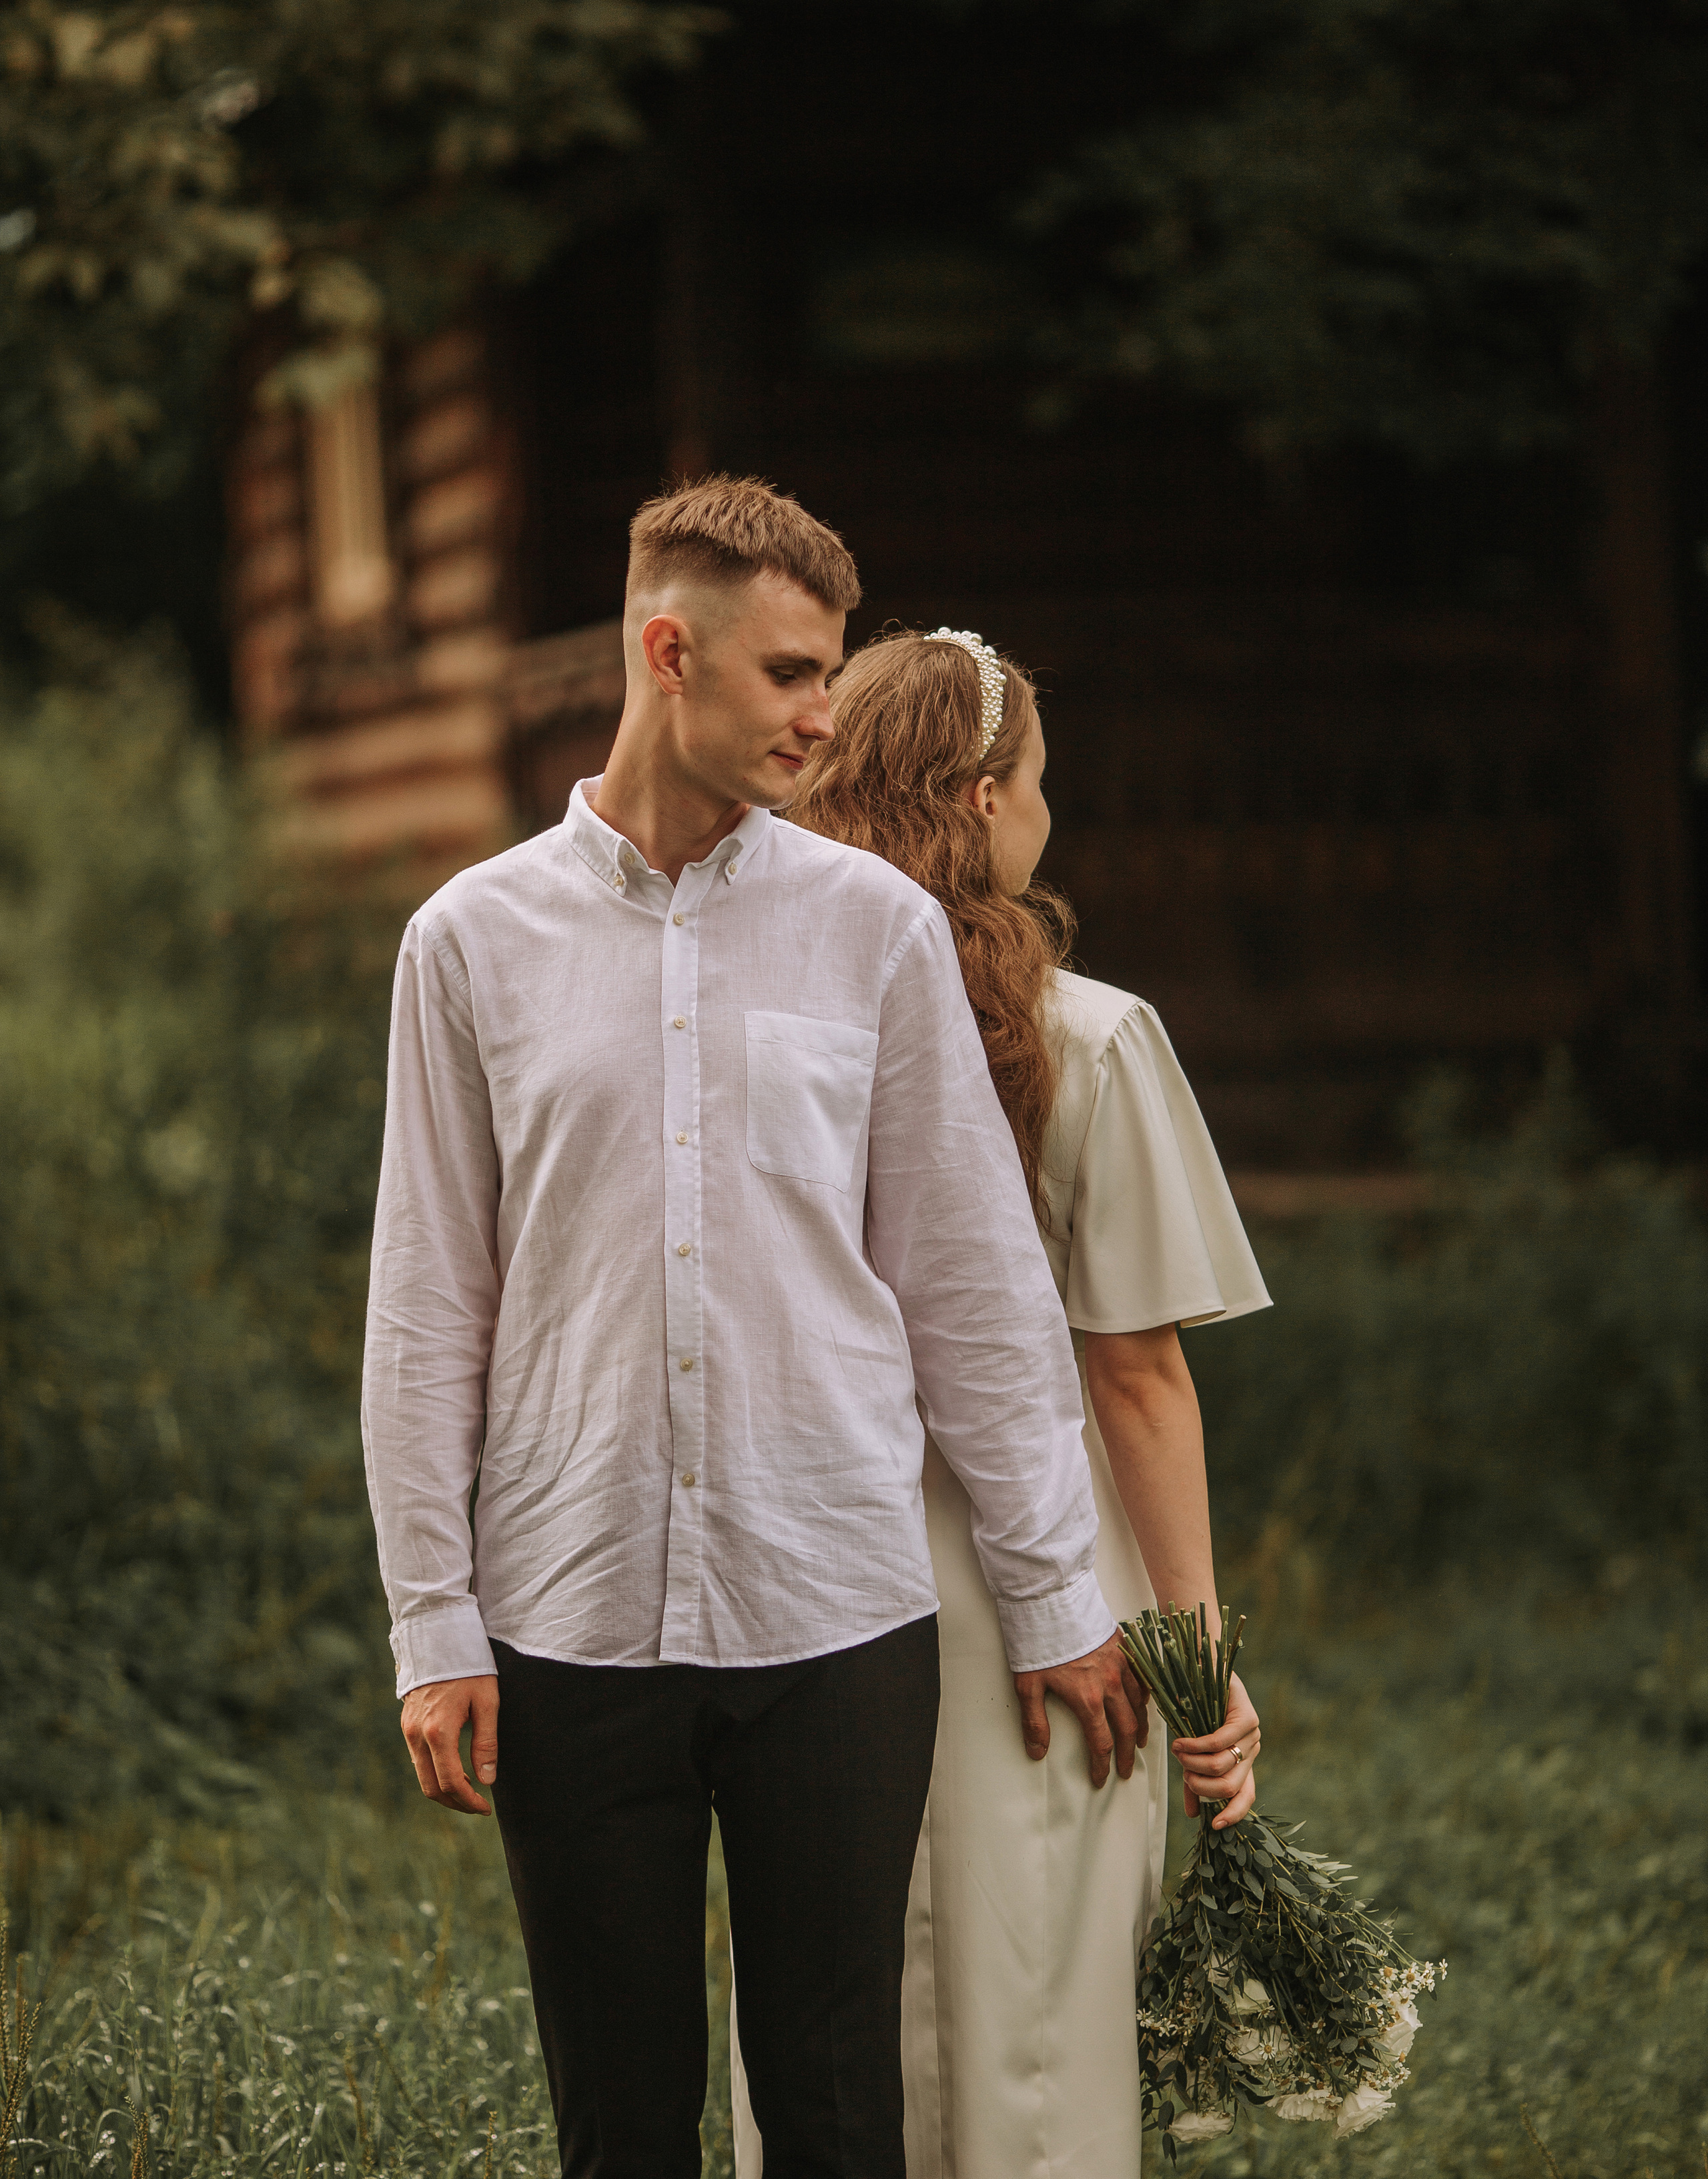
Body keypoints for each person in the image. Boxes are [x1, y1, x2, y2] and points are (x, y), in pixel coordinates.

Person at [360, 483, 1146, 2179]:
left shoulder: (872, 935)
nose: (821, 713)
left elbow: (974, 1289)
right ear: (668, 652)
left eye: (829, 673)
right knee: (621, 2123)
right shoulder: (469, 943)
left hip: (836, 1616)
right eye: (790, 673)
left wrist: (1054, 1596)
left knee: (840, 2106)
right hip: (568, 1621)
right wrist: (436, 1617)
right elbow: (429, 1304)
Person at [731, 629, 1270, 2178]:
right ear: (979, 798)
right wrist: (1202, 1664)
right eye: (1037, 782)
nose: (1049, 810)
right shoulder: (1090, 1036)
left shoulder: (780, 1031)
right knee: (1034, 2021)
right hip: (1041, 1594)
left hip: (811, 1581)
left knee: (830, 2005)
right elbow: (1135, 1373)